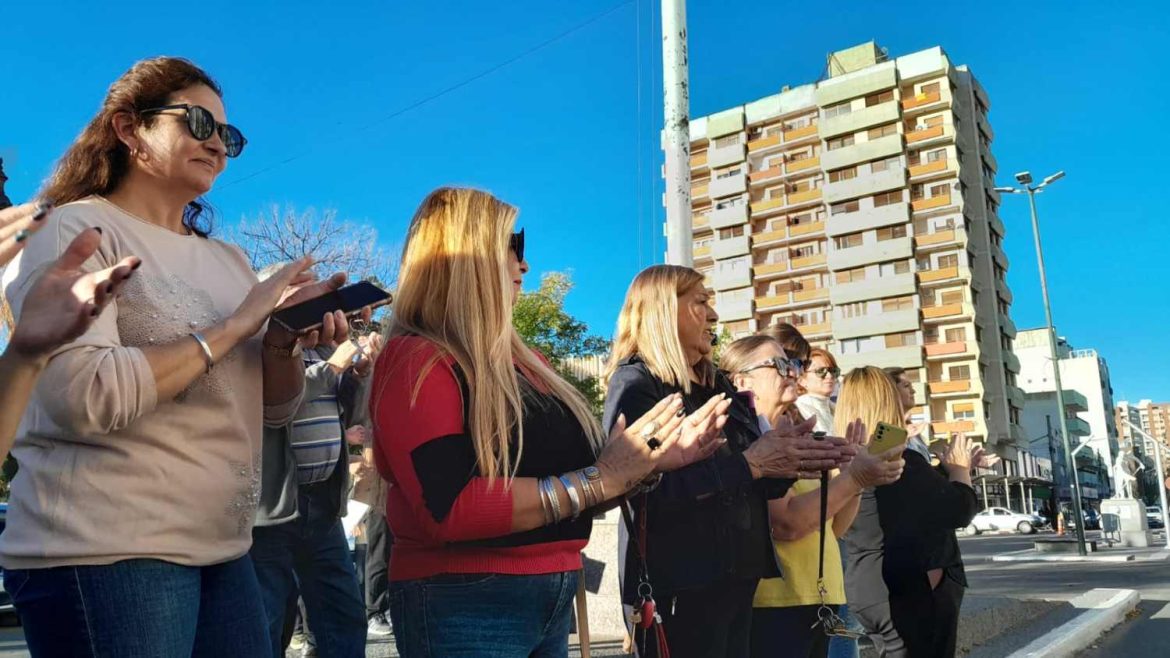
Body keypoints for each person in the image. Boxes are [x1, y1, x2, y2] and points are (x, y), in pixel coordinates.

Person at [0, 56, 352, 657]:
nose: (218, 144)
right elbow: (83, 398)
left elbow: (269, 411)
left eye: (229, 135)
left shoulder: (231, 262)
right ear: (128, 128)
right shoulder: (74, 231)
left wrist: (279, 340)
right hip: (106, 550)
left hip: (225, 548)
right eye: (198, 122)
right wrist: (237, 323)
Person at [370, 187, 727, 658]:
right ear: (464, 257)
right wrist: (603, 478)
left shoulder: (528, 362)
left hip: (551, 589)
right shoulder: (417, 358)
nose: (525, 265)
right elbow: (449, 506)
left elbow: (577, 486)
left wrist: (647, 464)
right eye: (512, 246)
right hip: (465, 598)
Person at [604, 266, 854, 658]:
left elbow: (754, 477)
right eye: (701, 302)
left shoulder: (715, 384)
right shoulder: (638, 384)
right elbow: (636, 488)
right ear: (663, 310)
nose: (714, 315)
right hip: (680, 587)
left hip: (738, 580)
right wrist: (751, 464)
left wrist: (788, 459)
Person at [721, 336, 902, 658]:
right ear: (742, 380)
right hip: (776, 601)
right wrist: (854, 477)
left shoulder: (793, 434)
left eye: (792, 365)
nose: (792, 372)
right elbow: (787, 524)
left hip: (815, 597)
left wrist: (853, 479)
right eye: (779, 365)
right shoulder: (747, 441)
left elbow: (833, 529)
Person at [251, 260, 376, 658]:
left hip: (322, 503)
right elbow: (273, 403)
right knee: (268, 622)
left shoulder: (324, 345)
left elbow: (353, 417)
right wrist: (333, 367)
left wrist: (357, 375)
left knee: (343, 618)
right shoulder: (256, 347)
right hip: (272, 509)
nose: (314, 300)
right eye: (300, 292)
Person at [839, 368, 992, 658]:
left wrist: (944, 470)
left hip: (865, 584)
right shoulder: (896, 458)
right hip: (908, 587)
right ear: (886, 400)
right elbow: (958, 509)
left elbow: (906, 499)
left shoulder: (856, 455)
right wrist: (960, 469)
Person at [1, 202, 142, 459]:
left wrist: (23, 357)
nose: (220, 158)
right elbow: (91, 398)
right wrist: (225, 333)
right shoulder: (70, 223)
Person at [795, 348, 861, 658]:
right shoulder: (802, 411)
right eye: (820, 371)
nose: (829, 376)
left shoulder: (834, 409)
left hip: (841, 511)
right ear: (802, 377)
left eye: (833, 370)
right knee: (836, 621)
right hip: (820, 517)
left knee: (843, 617)